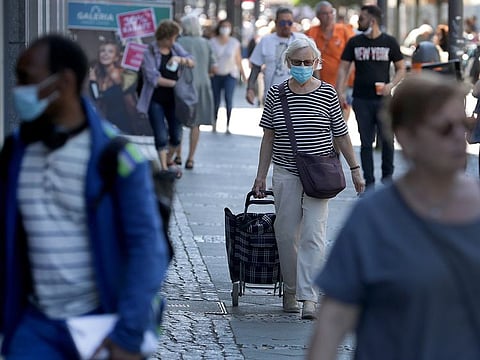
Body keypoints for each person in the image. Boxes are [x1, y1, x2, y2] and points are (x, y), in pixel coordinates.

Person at [0, 34, 171, 359]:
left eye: (26, 79)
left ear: (62, 82)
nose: (18, 90)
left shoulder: (116, 158)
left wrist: (127, 335)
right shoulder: (16, 151)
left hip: (99, 329)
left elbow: (147, 249)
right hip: (34, 328)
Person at [307, 72, 480, 360]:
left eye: (463, 126)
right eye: (444, 128)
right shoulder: (374, 217)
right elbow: (333, 321)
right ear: (406, 136)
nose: (458, 138)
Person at [252, 38, 364, 320]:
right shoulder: (276, 94)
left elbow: (341, 134)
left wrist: (355, 168)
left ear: (317, 64)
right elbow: (269, 136)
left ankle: (309, 297)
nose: (303, 67)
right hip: (286, 171)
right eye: (297, 62)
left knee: (314, 235)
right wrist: (260, 176)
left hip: (319, 175)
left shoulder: (327, 94)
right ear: (288, 63)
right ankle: (290, 290)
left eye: (308, 63)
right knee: (287, 233)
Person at [336, 4, 406, 189]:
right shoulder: (354, 42)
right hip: (361, 99)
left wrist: (391, 85)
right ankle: (369, 182)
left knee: (387, 139)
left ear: (372, 20)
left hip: (384, 99)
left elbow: (401, 68)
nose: (359, 22)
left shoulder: (389, 41)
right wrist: (340, 91)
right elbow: (343, 67)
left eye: (361, 19)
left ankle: (387, 179)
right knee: (365, 141)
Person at [136, 20, 195, 178]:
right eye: (173, 37)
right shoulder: (150, 51)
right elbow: (152, 78)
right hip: (155, 98)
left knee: (176, 135)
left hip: (175, 100)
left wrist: (179, 60)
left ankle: (168, 160)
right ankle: (163, 168)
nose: (174, 41)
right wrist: (174, 83)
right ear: (165, 37)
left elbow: (191, 61)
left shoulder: (175, 48)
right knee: (161, 134)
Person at [174, 16, 216, 169]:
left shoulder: (178, 43)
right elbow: (213, 68)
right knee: (196, 123)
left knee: (178, 121)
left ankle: (177, 155)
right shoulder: (206, 43)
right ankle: (191, 158)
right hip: (202, 85)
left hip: (182, 85)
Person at [246, 7, 307, 105]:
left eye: (289, 23)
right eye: (283, 23)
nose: (286, 26)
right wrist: (250, 88)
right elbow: (256, 68)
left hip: (299, 98)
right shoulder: (265, 41)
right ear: (276, 22)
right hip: (273, 98)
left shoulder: (302, 40)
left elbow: (313, 67)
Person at [306, 1, 355, 120]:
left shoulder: (344, 30)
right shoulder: (311, 32)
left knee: (341, 121)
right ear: (317, 15)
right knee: (323, 119)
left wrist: (341, 87)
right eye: (324, 13)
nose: (329, 16)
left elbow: (352, 60)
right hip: (320, 85)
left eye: (331, 12)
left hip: (344, 85)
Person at [89, 40, 137, 134]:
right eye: (103, 51)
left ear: (116, 58)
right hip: (108, 124)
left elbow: (130, 102)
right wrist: (93, 82)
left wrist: (136, 124)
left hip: (123, 124)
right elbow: (97, 100)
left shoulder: (117, 75)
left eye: (110, 51)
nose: (105, 54)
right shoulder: (100, 76)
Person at [209, 19, 246, 133]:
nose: (225, 28)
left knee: (228, 99)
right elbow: (209, 58)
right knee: (216, 100)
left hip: (230, 74)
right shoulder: (212, 42)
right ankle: (214, 122)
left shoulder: (234, 42)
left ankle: (228, 125)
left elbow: (238, 59)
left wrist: (243, 74)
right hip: (215, 75)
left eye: (228, 26)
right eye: (223, 26)